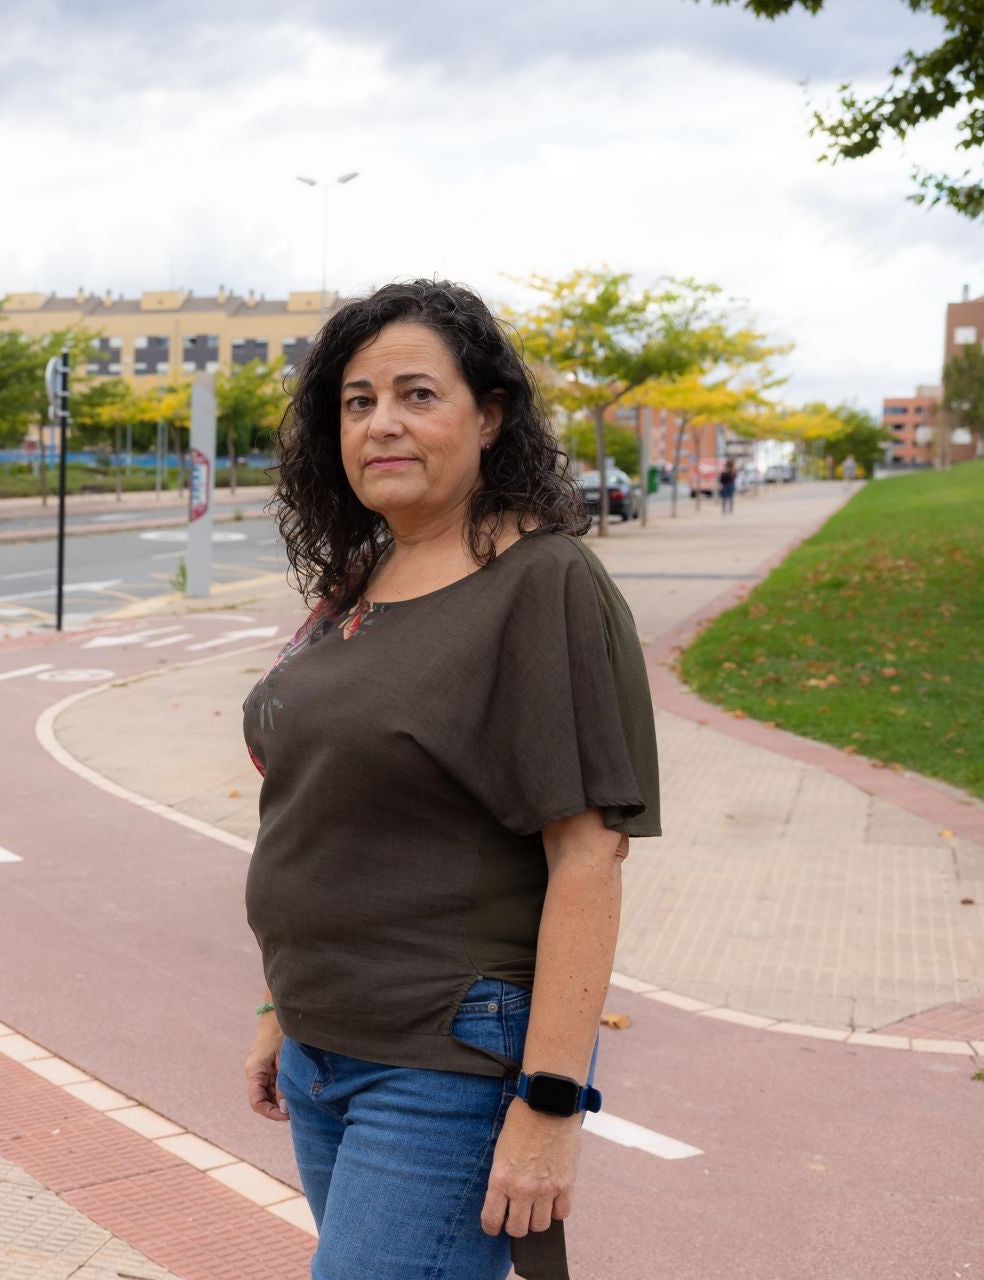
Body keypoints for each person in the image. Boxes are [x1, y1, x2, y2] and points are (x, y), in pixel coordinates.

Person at [241, 280, 660, 1280]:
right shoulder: (362, 579)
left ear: (491, 415)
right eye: (356, 400)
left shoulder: (541, 583)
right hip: (322, 1043)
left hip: (442, 1060)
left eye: (417, 394)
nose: (381, 422)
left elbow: (588, 856)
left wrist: (552, 1102)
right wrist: (277, 1008)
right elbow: (324, 812)